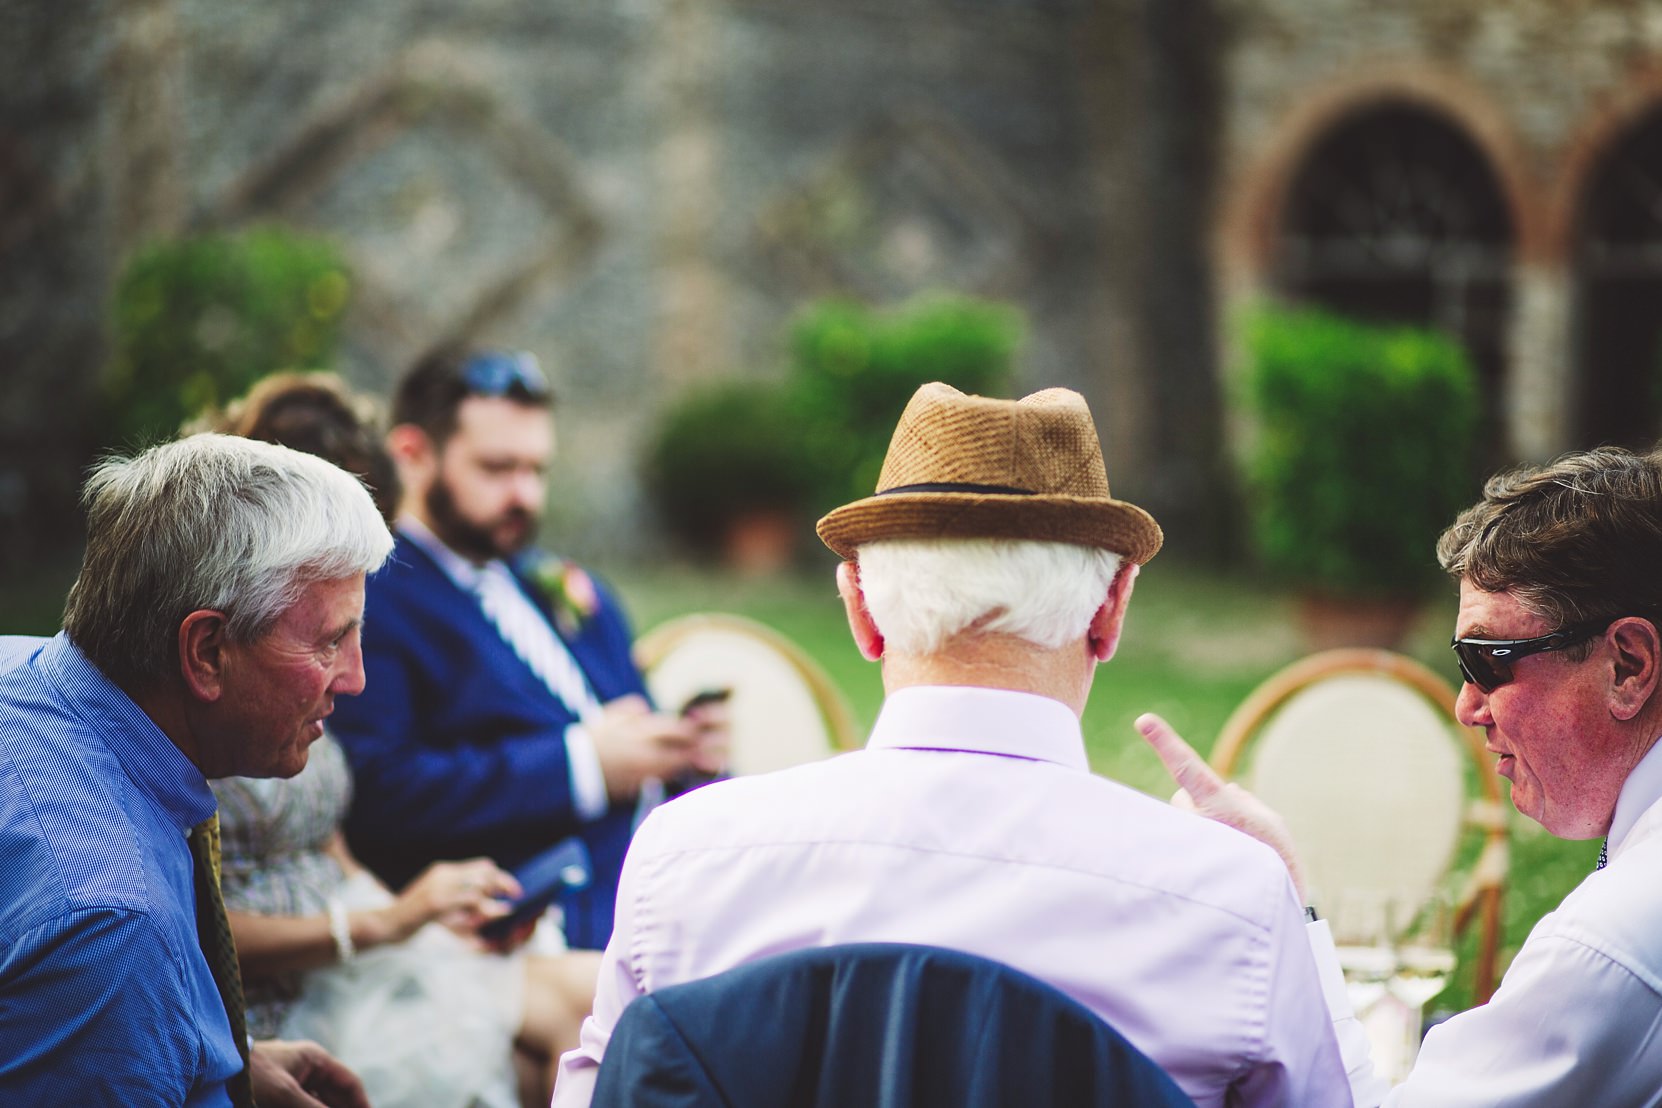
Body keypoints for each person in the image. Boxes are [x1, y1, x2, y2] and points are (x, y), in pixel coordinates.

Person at [553, 382, 1355, 1107]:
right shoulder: (1230, 903)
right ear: (1111, 612)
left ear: (860, 612)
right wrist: (1293, 908)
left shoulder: (684, 863)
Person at [1140, 444, 1662, 1105]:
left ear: (1627, 666)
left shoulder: (1609, 942)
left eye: (1487, 661)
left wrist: (1284, 892)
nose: (1465, 706)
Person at [197, 372, 604, 1108]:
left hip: (361, 952)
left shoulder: (302, 692)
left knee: (606, 998)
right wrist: (382, 924)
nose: (351, 675)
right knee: (576, 1033)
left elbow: (327, 840)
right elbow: (194, 930)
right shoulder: (211, 692)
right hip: (276, 999)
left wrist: (432, 920)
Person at [0, 433, 383, 1107]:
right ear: (206, 651)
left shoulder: (22, 676)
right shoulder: (113, 928)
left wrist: (213, 1059)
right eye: (331, 640)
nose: (354, 679)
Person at [328, 347, 725, 950]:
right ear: (412, 455)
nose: (525, 496)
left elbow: (634, 724)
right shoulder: (369, 599)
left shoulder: (563, 588)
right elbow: (380, 792)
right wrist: (582, 765)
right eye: (497, 468)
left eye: (537, 470)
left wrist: (683, 753)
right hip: (540, 928)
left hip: (673, 886)